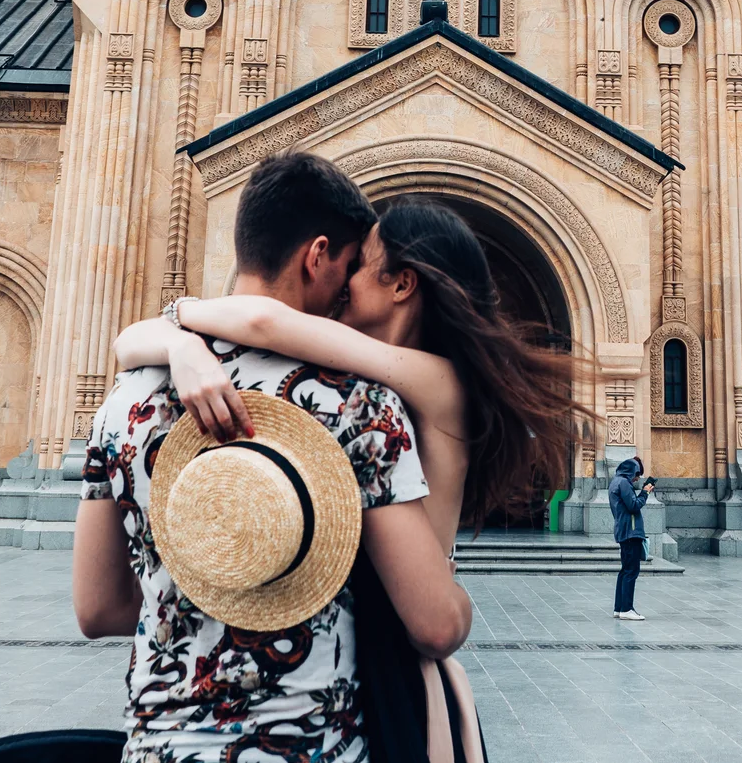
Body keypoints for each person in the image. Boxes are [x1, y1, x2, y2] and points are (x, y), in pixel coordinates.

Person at [123, 195, 582, 763]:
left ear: (401, 285)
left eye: (360, 266)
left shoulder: (433, 380)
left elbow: (265, 321)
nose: (343, 284)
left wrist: (178, 334)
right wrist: (176, 344)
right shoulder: (379, 376)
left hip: (398, 666)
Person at [74, 152, 472, 763]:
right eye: (347, 267)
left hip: (158, 748)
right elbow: (434, 621)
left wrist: (201, 584)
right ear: (316, 256)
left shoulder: (123, 400)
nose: (346, 290)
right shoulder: (355, 402)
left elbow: (99, 608)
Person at [610, 456, 654, 621]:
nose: (637, 478)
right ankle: (627, 609)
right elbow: (634, 505)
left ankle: (619, 608)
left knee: (625, 570)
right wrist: (645, 492)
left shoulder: (616, 481)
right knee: (631, 571)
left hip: (624, 530)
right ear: (630, 471)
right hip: (631, 531)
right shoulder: (624, 483)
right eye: (637, 474)